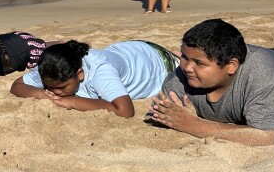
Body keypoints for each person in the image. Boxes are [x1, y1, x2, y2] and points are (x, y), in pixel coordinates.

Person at [149, 19, 274, 146]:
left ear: (231, 66)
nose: (188, 68)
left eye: (199, 63)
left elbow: (271, 134)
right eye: (184, 57)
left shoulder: (266, 77)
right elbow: (160, 116)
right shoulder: (179, 80)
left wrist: (194, 125)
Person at [10, 39, 177, 118]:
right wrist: (45, 95)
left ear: (80, 74)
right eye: (50, 87)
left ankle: (175, 55)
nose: (56, 92)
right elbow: (17, 85)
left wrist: (72, 101)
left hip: (158, 62)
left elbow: (125, 111)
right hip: (126, 51)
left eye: (62, 87)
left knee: (180, 64)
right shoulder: (51, 67)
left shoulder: (101, 72)